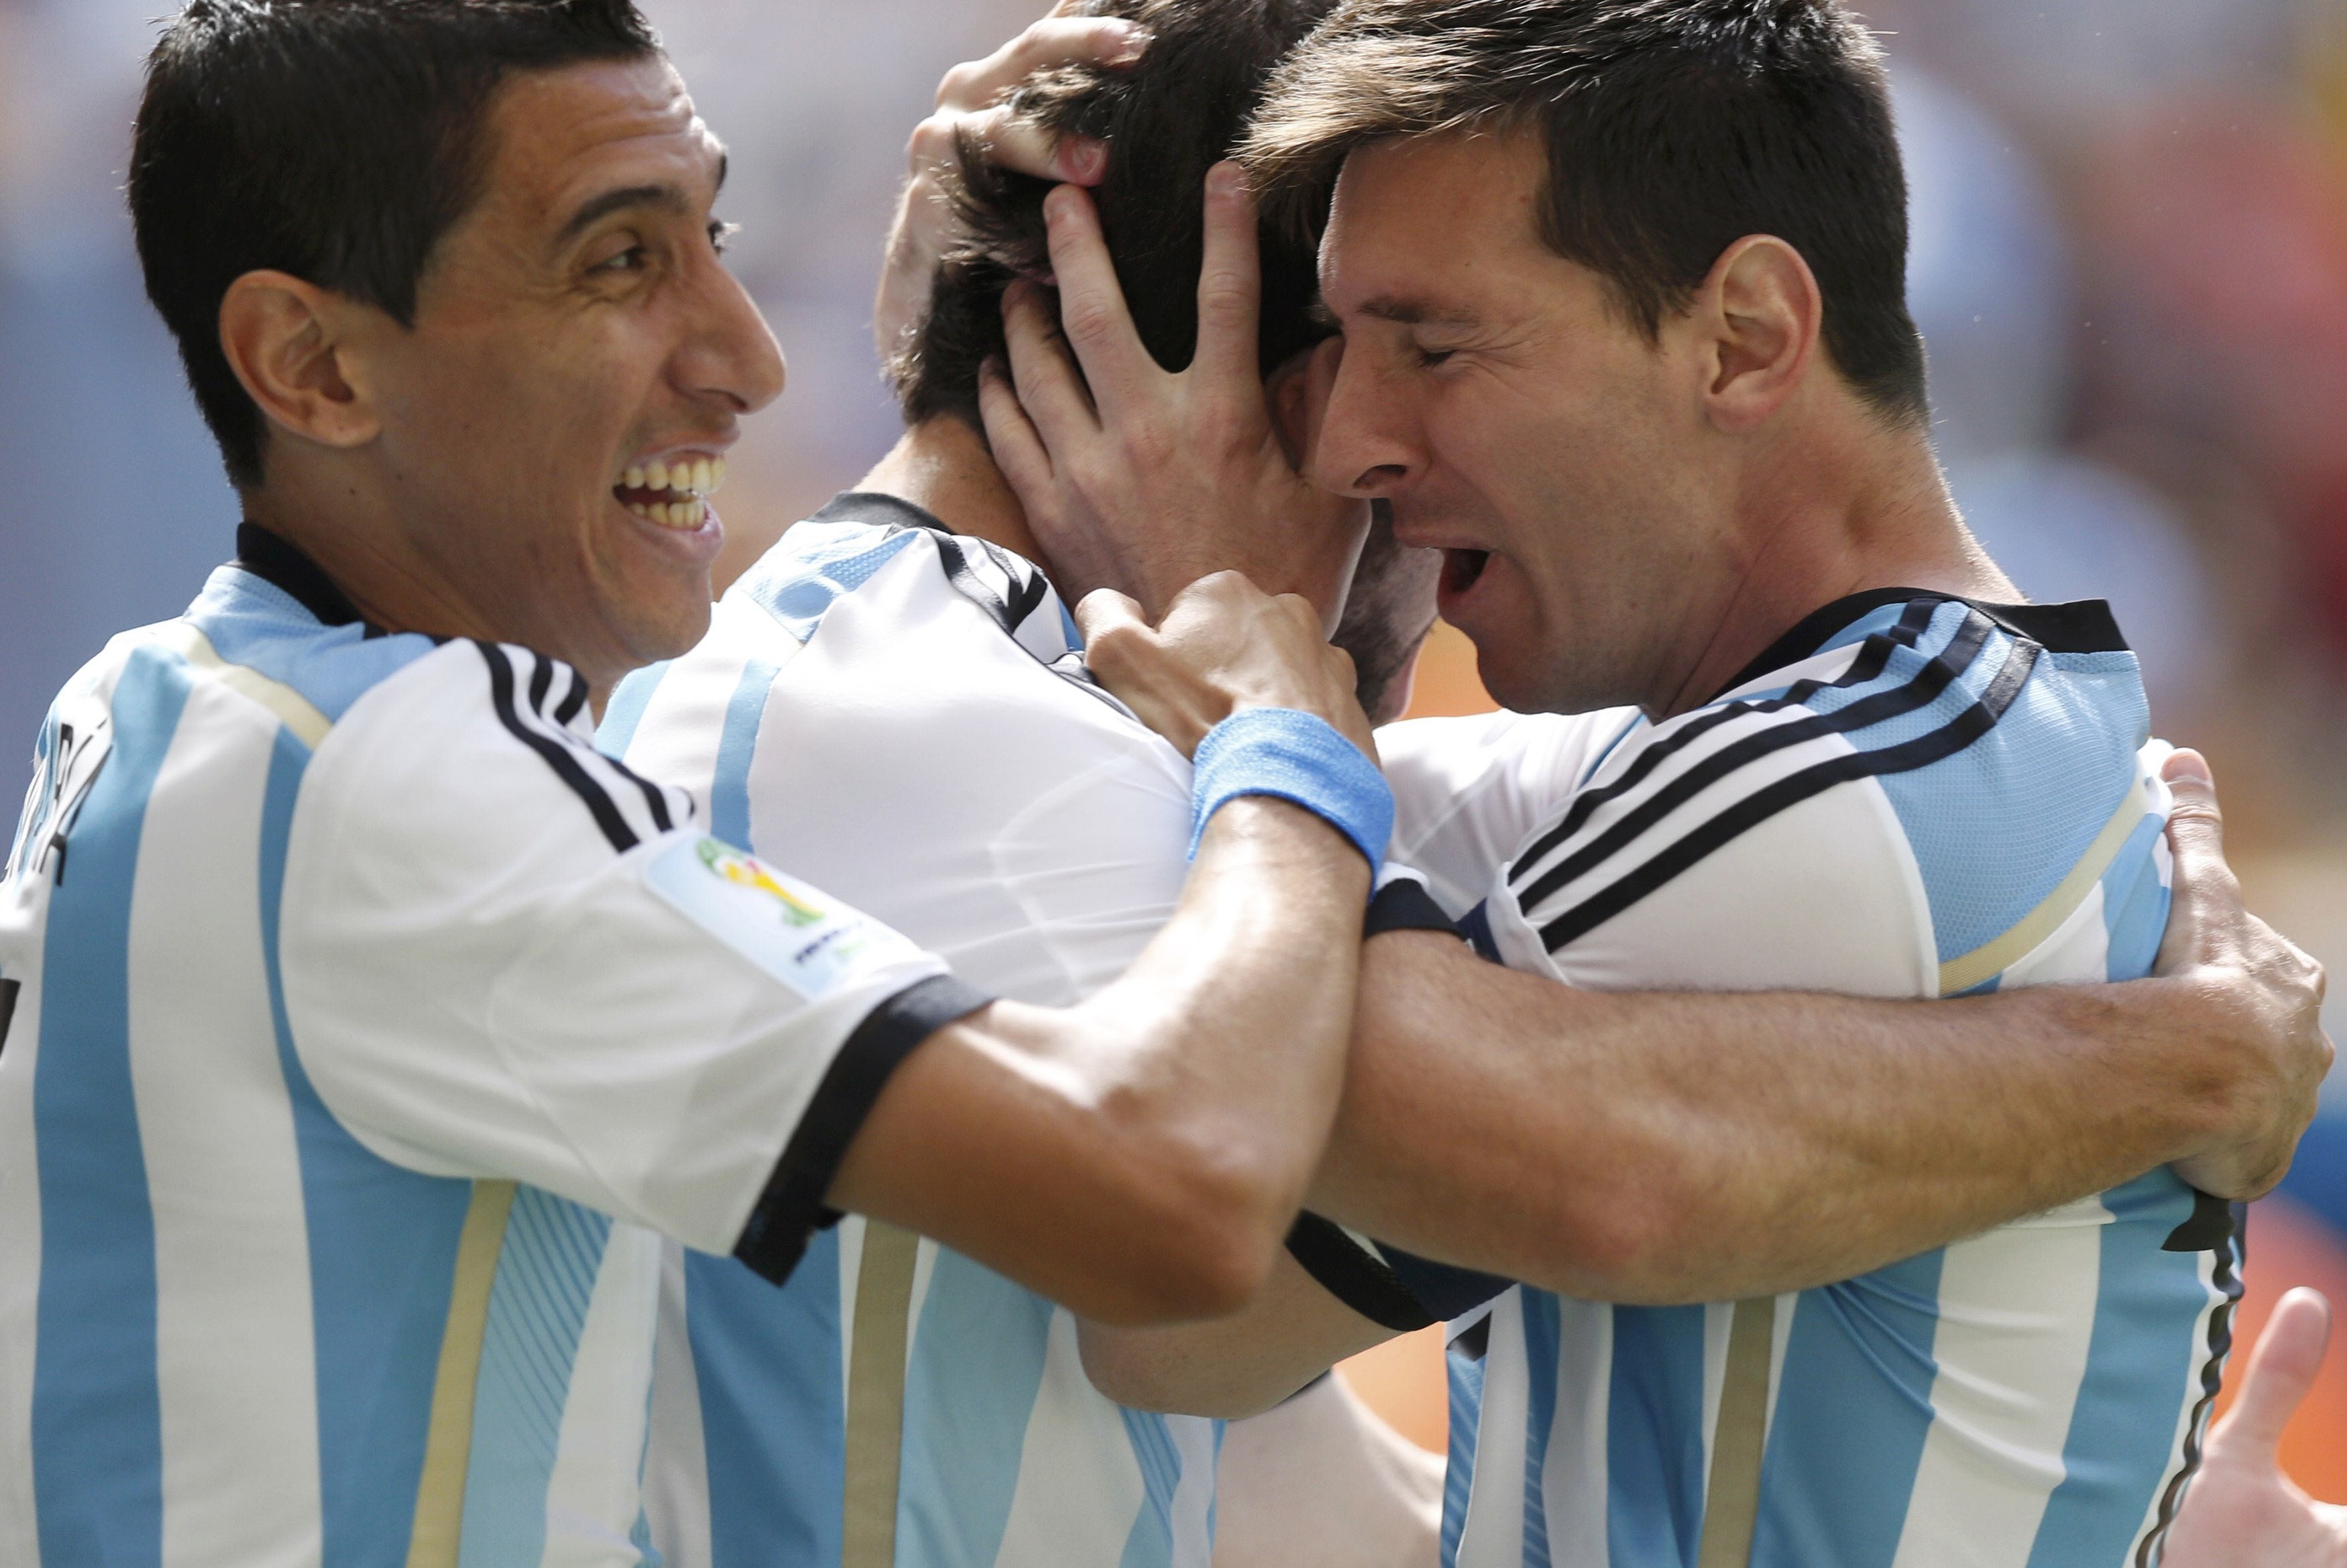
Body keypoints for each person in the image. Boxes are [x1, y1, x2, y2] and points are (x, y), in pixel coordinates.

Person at [612, 7, 2327, 1568]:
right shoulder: (939, 734)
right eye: (1344, 353)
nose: (1365, 441)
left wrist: (1261, 686)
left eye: (1430, 348)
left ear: (1742, 340)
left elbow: (1214, 1330)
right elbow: (1234, 1343)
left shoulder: (1834, 795)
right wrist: (2171, 1065)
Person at [0, 4, 1407, 1563]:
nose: (753, 357)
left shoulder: (170, 700)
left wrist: (944, 361)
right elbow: (1175, 1202)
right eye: (620, 260)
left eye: (712, 237)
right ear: (312, 365)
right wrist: (1283, 754)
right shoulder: (411, 794)